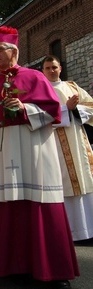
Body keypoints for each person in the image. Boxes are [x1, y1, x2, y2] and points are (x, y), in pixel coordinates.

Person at [0, 26, 79, 289]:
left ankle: (54, 270)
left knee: (43, 206)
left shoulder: (36, 78)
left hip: (35, 149)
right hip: (5, 155)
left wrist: (26, 108)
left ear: (14, 51)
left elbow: (53, 112)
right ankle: (13, 266)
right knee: (11, 206)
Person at [42, 55, 93, 241]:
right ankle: (68, 231)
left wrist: (76, 110)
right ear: (43, 71)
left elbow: (91, 106)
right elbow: (41, 116)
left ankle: (88, 231)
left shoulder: (72, 86)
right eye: (47, 68)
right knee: (63, 183)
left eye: (54, 67)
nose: (51, 71)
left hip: (78, 142)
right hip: (55, 144)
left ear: (60, 68)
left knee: (84, 178)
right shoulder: (42, 90)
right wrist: (67, 109)